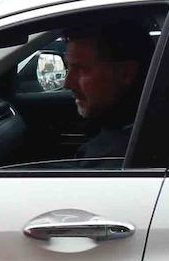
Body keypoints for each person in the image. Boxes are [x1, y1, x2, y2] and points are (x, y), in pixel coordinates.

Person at [65, 20, 153, 161]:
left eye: (81, 70)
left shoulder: (112, 159)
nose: (67, 84)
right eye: (68, 68)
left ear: (126, 73)